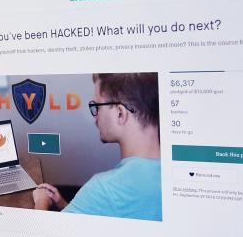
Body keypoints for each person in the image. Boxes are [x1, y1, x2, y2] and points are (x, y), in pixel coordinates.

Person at [32, 73, 161, 221]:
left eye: (97, 106)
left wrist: (41, 201)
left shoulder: (105, 189)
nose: (95, 116)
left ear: (120, 113)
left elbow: (46, 232)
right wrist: (65, 205)